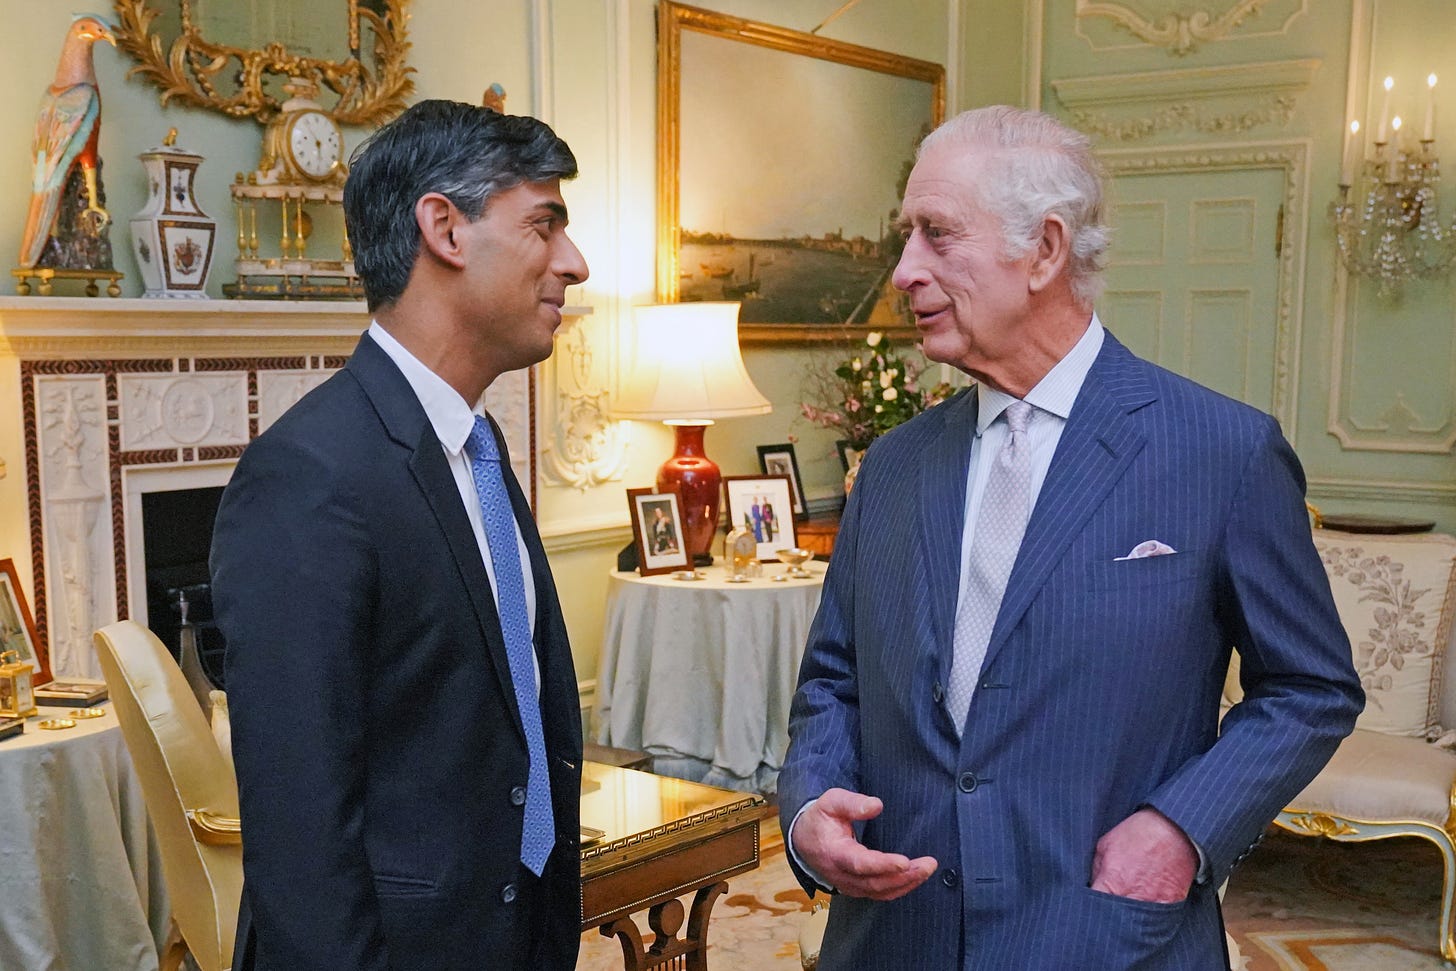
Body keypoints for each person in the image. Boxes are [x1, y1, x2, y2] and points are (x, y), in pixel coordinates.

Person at [777, 105, 1363, 970]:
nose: (904, 271)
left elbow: (1311, 687)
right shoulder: (894, 465)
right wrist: (810, 803)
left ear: (1045, 250)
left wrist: (1182, 826)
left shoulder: (1220, 451)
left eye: (937, 235)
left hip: (1102, 934)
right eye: (907, 236)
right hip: (896, 937)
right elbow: (834, 676)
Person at [210, 99, 589, 971]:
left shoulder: (477, 444)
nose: (574, 262)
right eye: (543, 225)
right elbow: (301, 832)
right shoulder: (307, 476)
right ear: (444, 229)